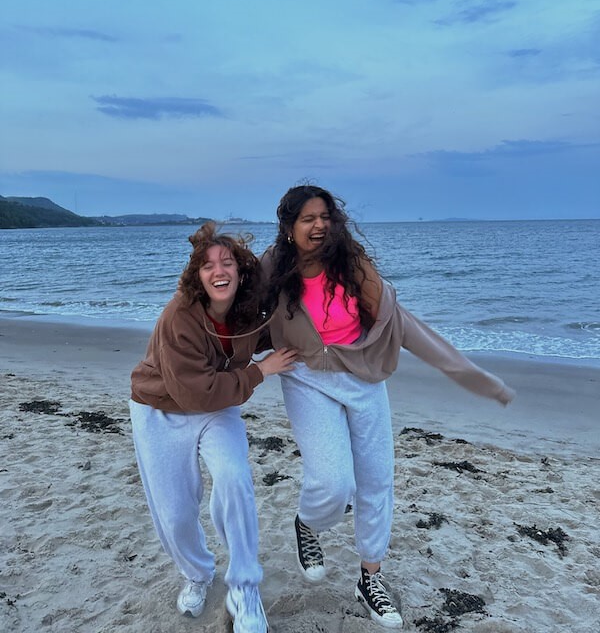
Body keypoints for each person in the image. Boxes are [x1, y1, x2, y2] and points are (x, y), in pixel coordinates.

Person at [262, 185, 515, 629]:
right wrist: (213, 366)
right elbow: (232, 313)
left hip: (364, 377)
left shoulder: (353, 265)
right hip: (306, 378)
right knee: (334, 482)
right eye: (307, 218)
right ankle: (307, 523)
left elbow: (404, 324)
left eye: (325, 216)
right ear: (288, 228)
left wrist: (474, 377)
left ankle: (370, 577)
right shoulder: (272, 267)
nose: (319, 225)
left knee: (377, 480)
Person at [130, 222, 296, 633]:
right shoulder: (179, 317)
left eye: (227, 263)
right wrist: (260, 372)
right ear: (197, 277)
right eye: (207, 265)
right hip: (162, 408)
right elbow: (195, 395)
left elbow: (272, 329)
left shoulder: (246, 310)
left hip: (217, 406)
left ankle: (244, 587)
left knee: (235, 478)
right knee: (175, 514)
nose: (218, 270)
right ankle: (198, 573)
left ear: (240, 271)